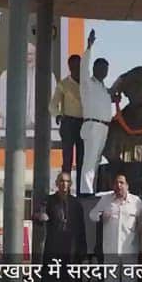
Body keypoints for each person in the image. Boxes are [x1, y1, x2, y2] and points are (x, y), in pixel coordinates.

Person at [89, 173, 142, 282]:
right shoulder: (106, 199)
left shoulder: (136, 201)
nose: (118, 186)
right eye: (116, 183)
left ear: (127, 185)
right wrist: (101, 216)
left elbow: (141, 222)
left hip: (130, 248)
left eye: (122, 183)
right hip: (111, 249)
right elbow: (92, 214)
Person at [34, 172, 87, 282]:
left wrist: (83, 252)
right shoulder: (49, 201)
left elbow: (81, 230)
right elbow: (38, 215)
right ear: (57, 184)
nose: (64, 184)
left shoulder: (76, 203)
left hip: (71, 251)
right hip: (54, 249)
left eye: (67, 182)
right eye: (62, 181)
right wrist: (40, 216)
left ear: (71, 184)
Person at [79, 28, 112, 194]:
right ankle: (86, 192)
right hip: (92, 126)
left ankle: (92, 190)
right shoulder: (88, 83)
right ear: (95, 68)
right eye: (101, 68)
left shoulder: (103, 88)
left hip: (104, 127)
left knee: (98, 161)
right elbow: (83, 68)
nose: (104, 71)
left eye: (106, 69)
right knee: (90, 160)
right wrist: (89, 47)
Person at [0, 43, 56, 133]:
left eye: (31, 54)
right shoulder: (7, 75)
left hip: (39, 126)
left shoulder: (47, 76)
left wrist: (38, 117)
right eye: (25, 54)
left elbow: (52, 100)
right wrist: (16, 118)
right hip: (14, 126)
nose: (28, 57)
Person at [50, 53, 84, 187]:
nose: (76, 68)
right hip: (68, 123)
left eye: (78, 66)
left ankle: (82, 190)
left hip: (84, 124)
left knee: (82, 159)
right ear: (69, 67)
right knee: (67, 159)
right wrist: (58, 115)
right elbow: (52, 105)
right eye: (73, 66)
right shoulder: (63, 84)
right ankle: (65, 188)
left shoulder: (87, 83)